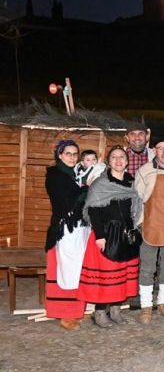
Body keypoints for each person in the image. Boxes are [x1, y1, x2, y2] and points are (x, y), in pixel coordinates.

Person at [78, 146, 142, 328]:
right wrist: (100, 235)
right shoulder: (101, 184)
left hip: (125, 235)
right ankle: (99, 312)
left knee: (121, 275)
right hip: (106, 235)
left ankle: (115, 310)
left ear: (127, 161)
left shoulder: (132, 183)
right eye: (114, 157)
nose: (118, 160)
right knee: (105, 278)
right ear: (109, 161)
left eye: (122, 157)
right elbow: (93, 210)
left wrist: (135, 228)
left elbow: (136, 208)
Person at [133, 138, 164, 324]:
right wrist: (140, 223)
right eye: (160, 149)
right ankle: (146, 306)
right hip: (151, 225)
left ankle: (163, 302)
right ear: (155, 150)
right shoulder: (145, 171)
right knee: (147, 269)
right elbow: (136, 200)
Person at [44, 140, 90, 331]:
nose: (71, 157)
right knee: (67, 271)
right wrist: (87, 188)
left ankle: (77, 309)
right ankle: (65, 314)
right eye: (67, 153)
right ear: (60, 155)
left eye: (74, 154)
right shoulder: (55, 175)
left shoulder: (76, 174)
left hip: (79, 227)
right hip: (66, 228)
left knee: (78, 269)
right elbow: (66, 201)